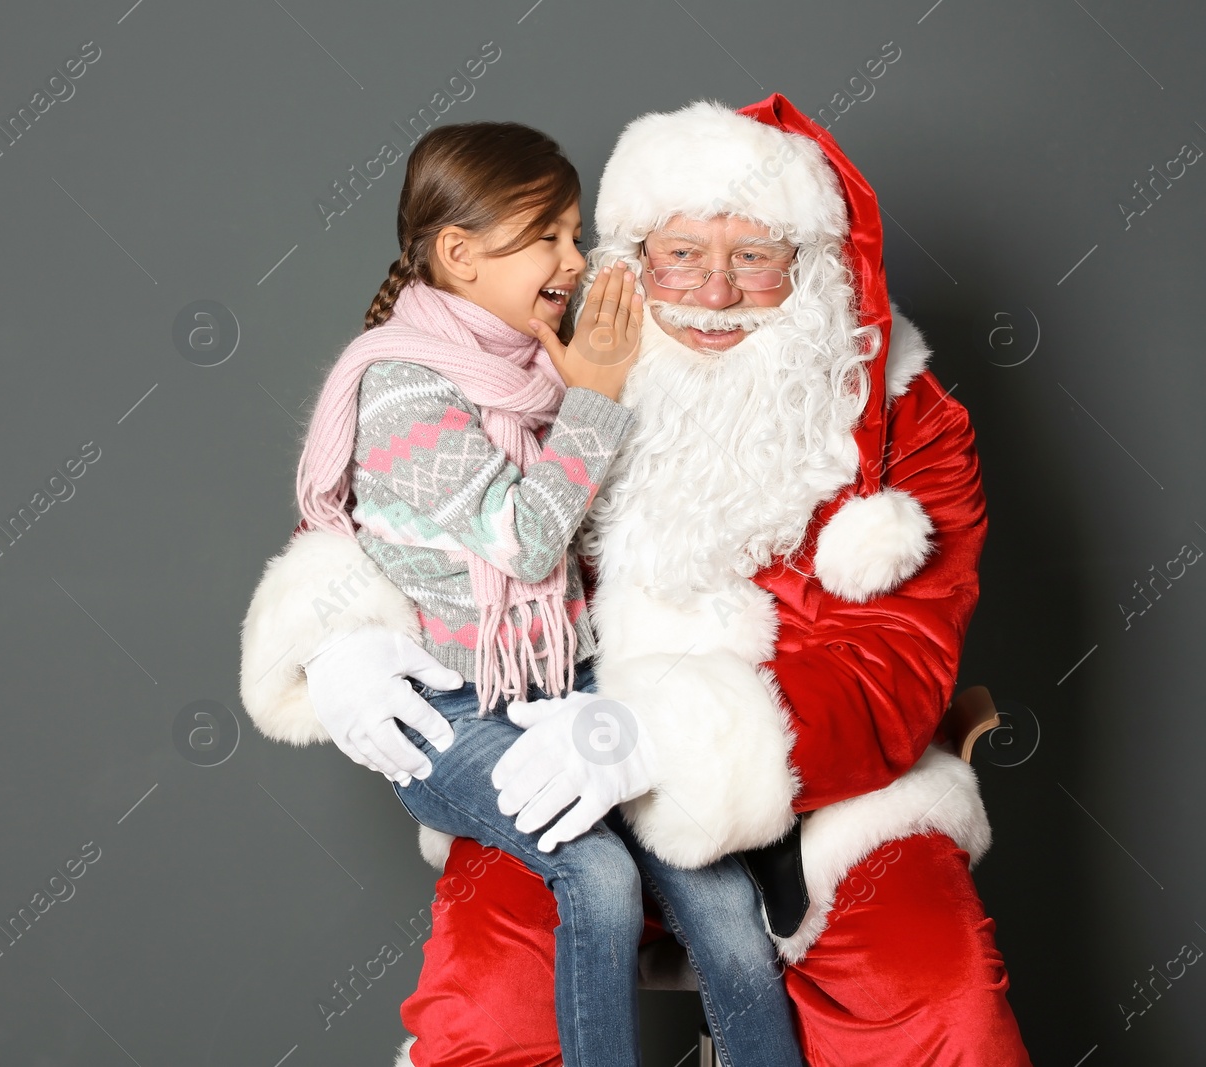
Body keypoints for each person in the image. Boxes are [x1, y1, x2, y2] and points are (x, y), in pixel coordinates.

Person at [240, 96, 1036, 1067]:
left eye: (753, 255)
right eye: (681, 253)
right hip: (549, 754)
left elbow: (894, 668)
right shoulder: (557, 352)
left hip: (821, 797)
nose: (713, 289)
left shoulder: (904, 419)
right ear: (632, 256)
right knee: (488, 1013)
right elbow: (406, 496)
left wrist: (661, 735)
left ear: (812, 265)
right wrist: (342, 636)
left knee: (939, 1005)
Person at [244, 120, 805, 1067]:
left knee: (715, 884)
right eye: (546, 235)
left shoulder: (531, 364)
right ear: (459, 254)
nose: (573, 258)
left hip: (559, 682)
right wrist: (596, 399)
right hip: (445, 708)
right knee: (595, 873)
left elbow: (591, 535)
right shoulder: (401, 390)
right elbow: (526, 538)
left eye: (575, 232)